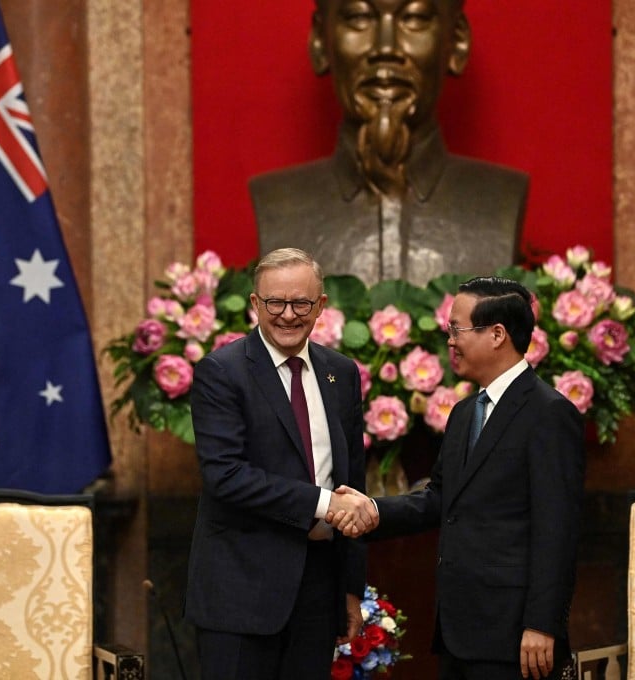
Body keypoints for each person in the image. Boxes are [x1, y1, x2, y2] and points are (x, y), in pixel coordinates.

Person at [331, 276, 585, 680]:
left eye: (457, 329)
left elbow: (559, 529)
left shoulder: (549, 414)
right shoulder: (466, 412)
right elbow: (440, 499)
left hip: (517, 634)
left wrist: (542, 623)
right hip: (459, 628)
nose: (449, 340)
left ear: (498, 334)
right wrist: (372, 510)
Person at [185, 248, 380, 679]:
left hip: (316, 588)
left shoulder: (341, 372)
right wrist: (322, 504)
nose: (288, 315)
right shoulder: (222, 372)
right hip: (240, 593)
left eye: (301, 304)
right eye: (275, 303)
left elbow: (352, 482)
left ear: (321, 307)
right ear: (255, 304)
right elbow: (226, 476)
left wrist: (350, 588)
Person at [250, 0, 529, 286]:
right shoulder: (278, 202)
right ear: (321, 41)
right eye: (359, 16)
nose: (385, 48)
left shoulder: (502, 198)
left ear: (456, 41)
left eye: (415, 17)